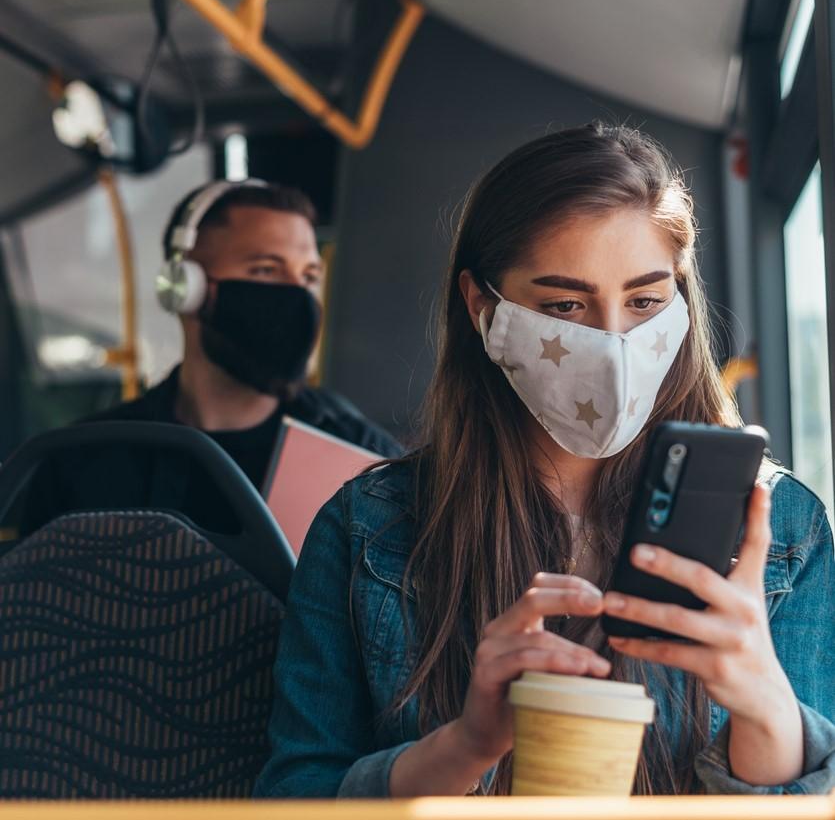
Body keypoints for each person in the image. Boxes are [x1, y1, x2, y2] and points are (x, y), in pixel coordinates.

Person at [253, 123, 835, 797]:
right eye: (564, 305)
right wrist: (468, 742)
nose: (614, 342)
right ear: (482, 307)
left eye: (645, 301)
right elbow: (294, 800)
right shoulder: (367, 530)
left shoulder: (784, 529)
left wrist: (762, 702)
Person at [20, 179, 401, 534]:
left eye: (307, 277)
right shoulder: (82, 461)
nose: (298, 297)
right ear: (184, 288)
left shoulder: (367, 464)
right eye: (266, 269)